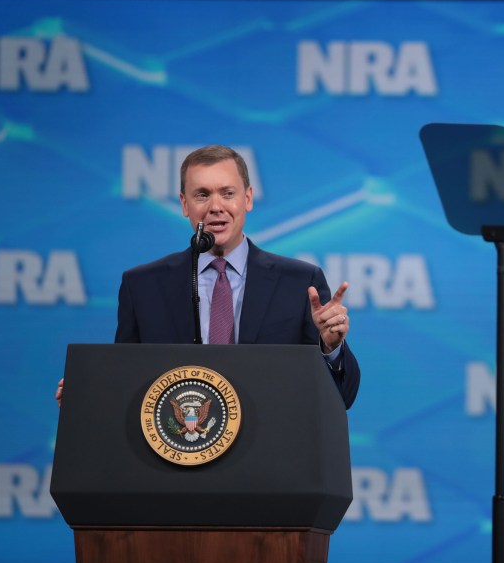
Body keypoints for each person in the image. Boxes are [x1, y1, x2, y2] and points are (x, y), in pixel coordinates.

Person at [56, 144, 359, 408]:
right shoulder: (143, 286)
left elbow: (340, 399)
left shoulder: (299, 283)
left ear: (248, 199)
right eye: (202, 195)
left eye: (228, 193)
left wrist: (330, 348)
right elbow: (126, 382)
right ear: (185, 204)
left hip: (269, 463)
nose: (216, 207)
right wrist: (87, 393)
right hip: (177, 461)